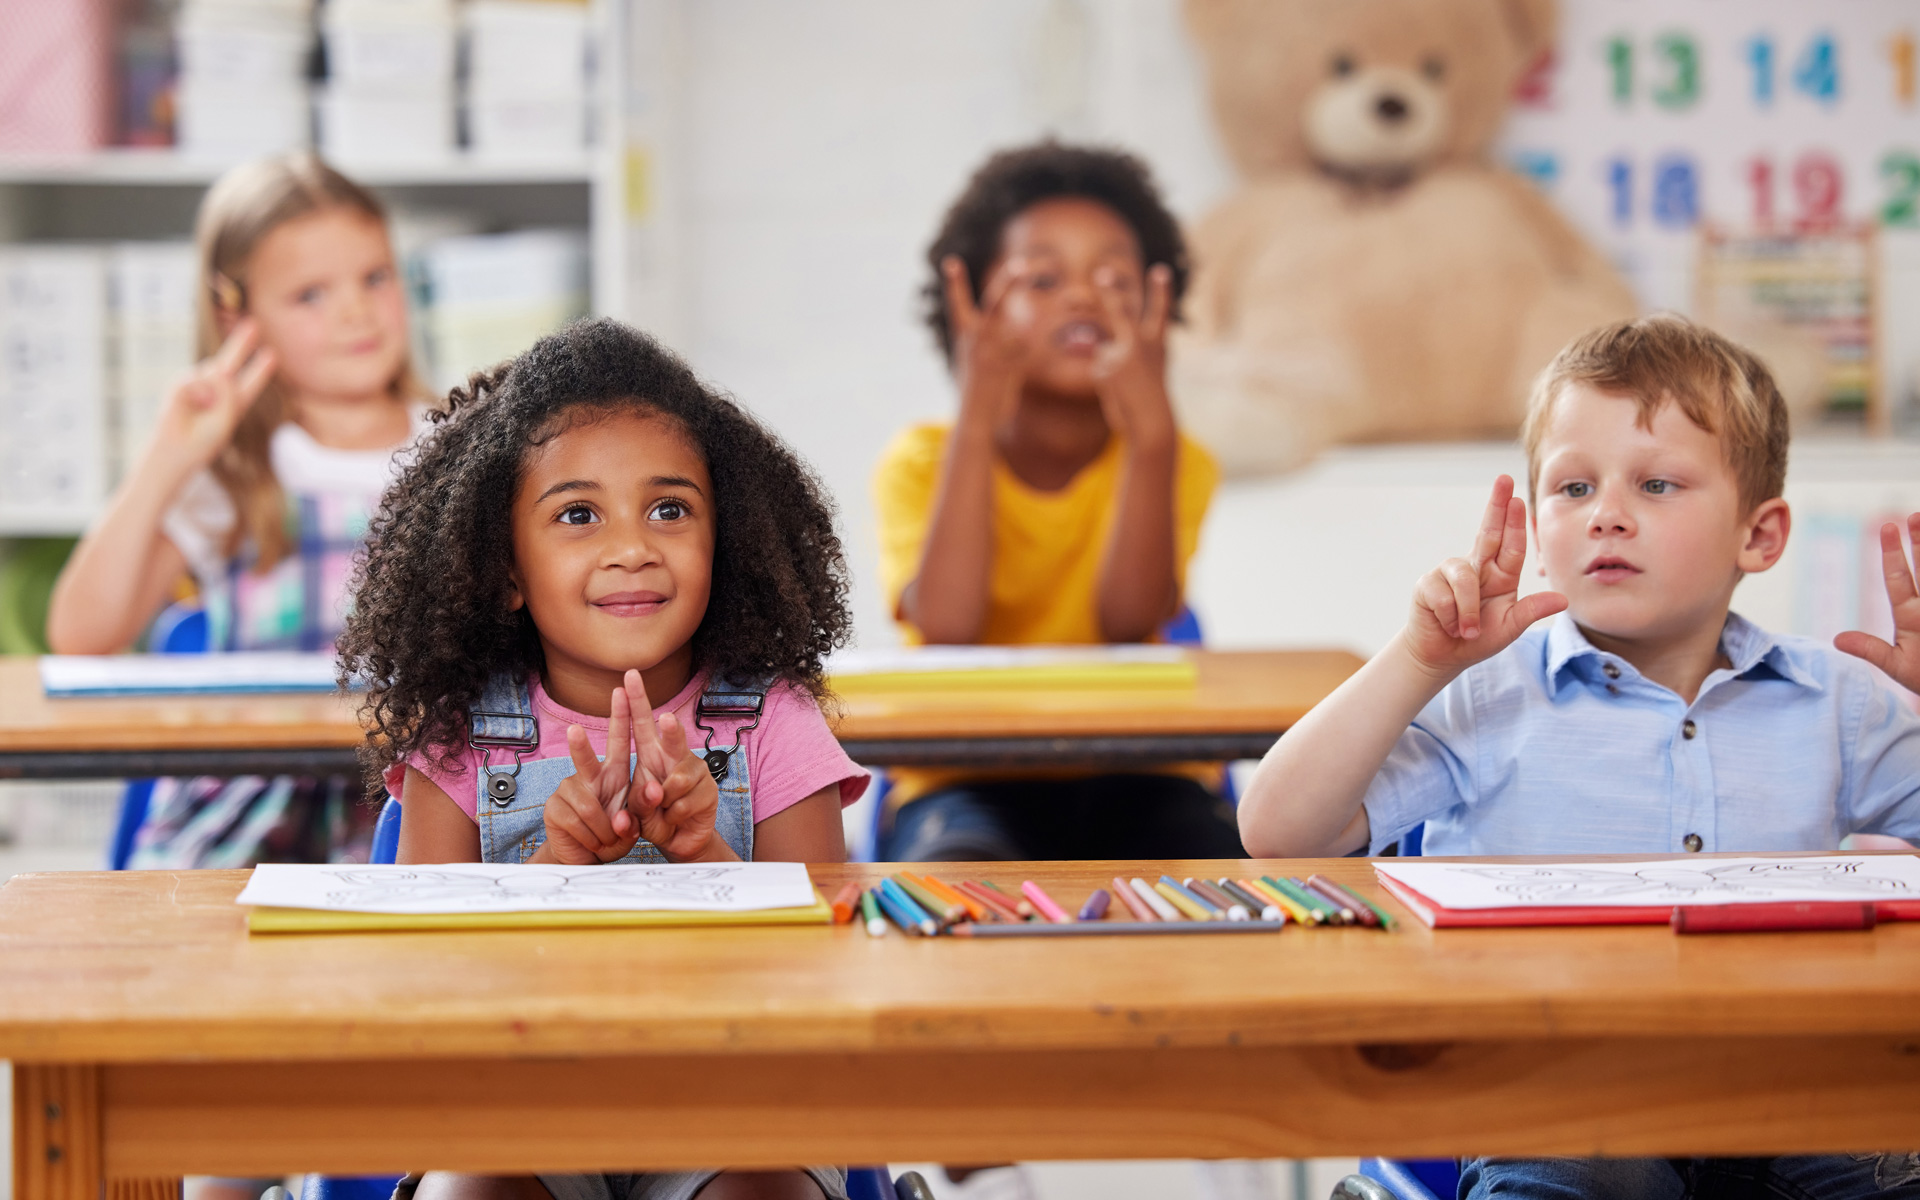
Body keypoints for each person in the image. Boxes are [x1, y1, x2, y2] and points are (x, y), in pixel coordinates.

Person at [1237, 314, 1920, 1200]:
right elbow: (1279, 833)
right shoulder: (1486, 693)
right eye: (1572, 487)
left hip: (1788, 1097)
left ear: (1759, 536)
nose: (1607, 515)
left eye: (1657, 484)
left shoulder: (1838, 701)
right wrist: (1417, 660)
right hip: (1558, 1099)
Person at [338, 318, 864, 1200]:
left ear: (724, 539)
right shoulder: (457, 742)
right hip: (516, 1112)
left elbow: (821, 983)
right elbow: (427, 995)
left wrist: (709, 860)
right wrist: (551, 870)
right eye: (578, 515)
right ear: (504, 569)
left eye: (670, 510)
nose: (633, 548)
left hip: (738, 1105)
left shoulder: (776, 723)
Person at [47, 151, 433, 869]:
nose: (356, 311)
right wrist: (169, 458)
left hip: (416, 810)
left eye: (375, 277)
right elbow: (81, 634)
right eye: (310, 294)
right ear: (237, 316)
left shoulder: (457, 449)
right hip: (251, 822)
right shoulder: (235, 475)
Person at [873, 140, 1236, 862]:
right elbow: (947, 626)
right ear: (972, 310)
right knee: (955, 882)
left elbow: (1128, 620)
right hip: (964, 780)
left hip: (1143, 772)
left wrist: (1152, 435)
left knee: (1227, 881)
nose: (1083, 297)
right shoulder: (921, 461)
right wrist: (977, 418)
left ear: (1157, 308)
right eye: (1042, 278)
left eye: (1114, 279)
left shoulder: (1178, 458)